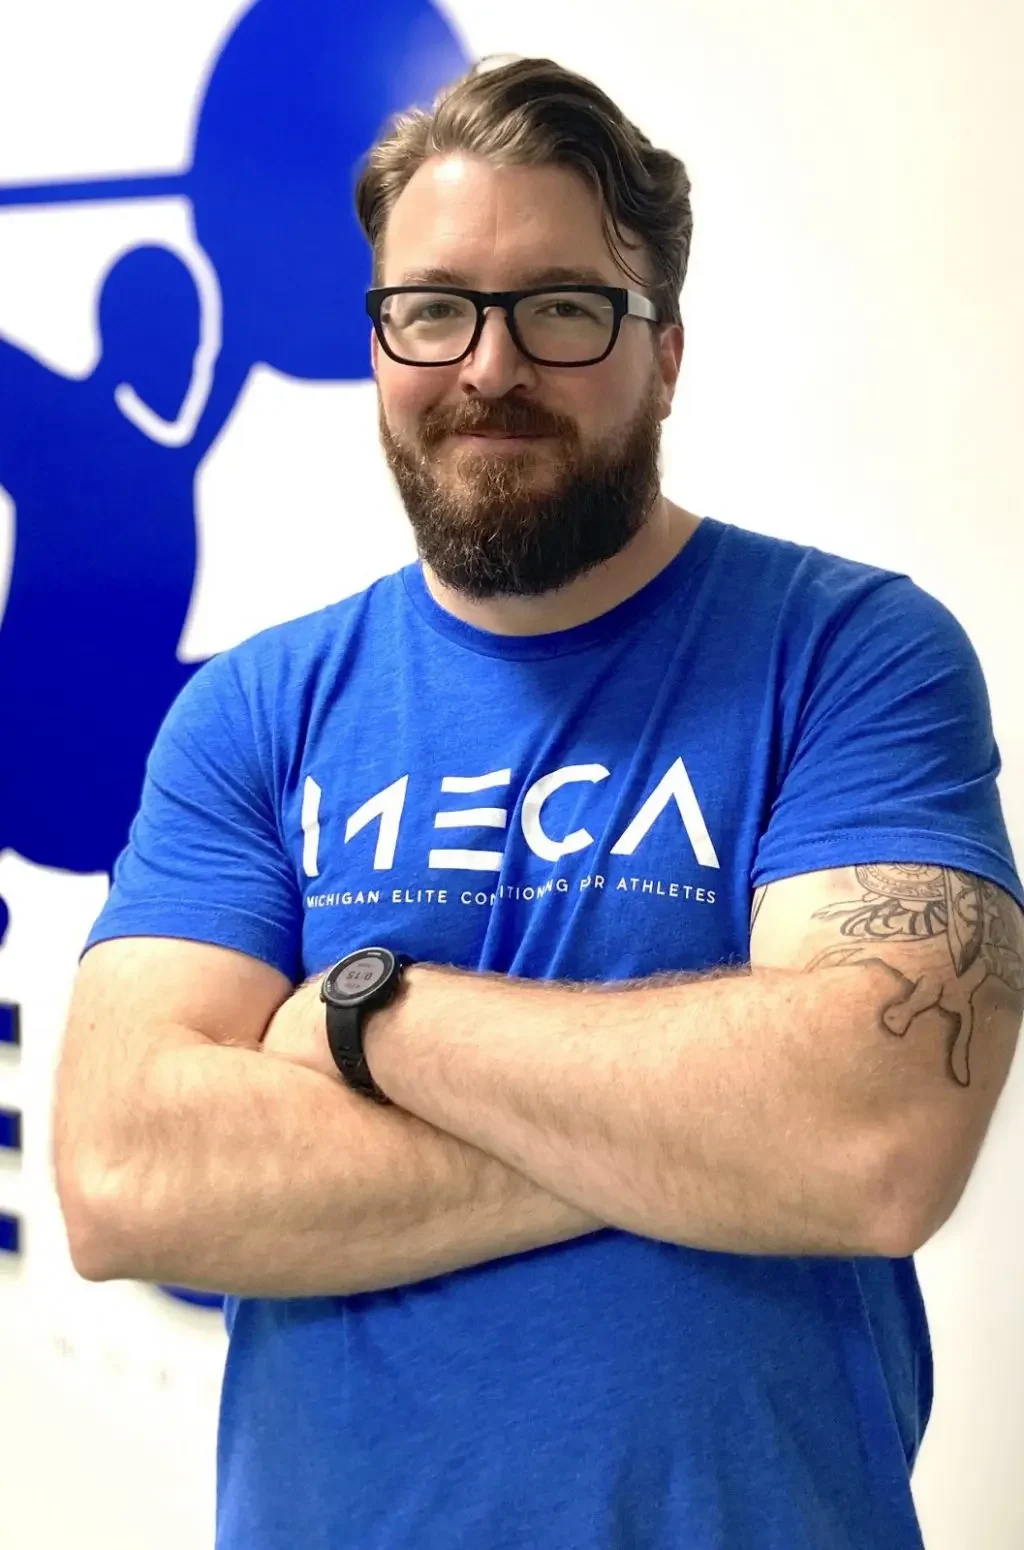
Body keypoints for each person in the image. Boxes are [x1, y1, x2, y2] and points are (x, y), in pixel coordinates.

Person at [53, 55, 1023, 1550]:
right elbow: (126, 1174)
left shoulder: (851, 655)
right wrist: (696, 1137)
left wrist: (372, 1016)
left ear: (667, 351)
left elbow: (871, 1138)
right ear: (379, 340)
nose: (487, 367)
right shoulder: (256, 708)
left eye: (561, 307)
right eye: (432, 308)